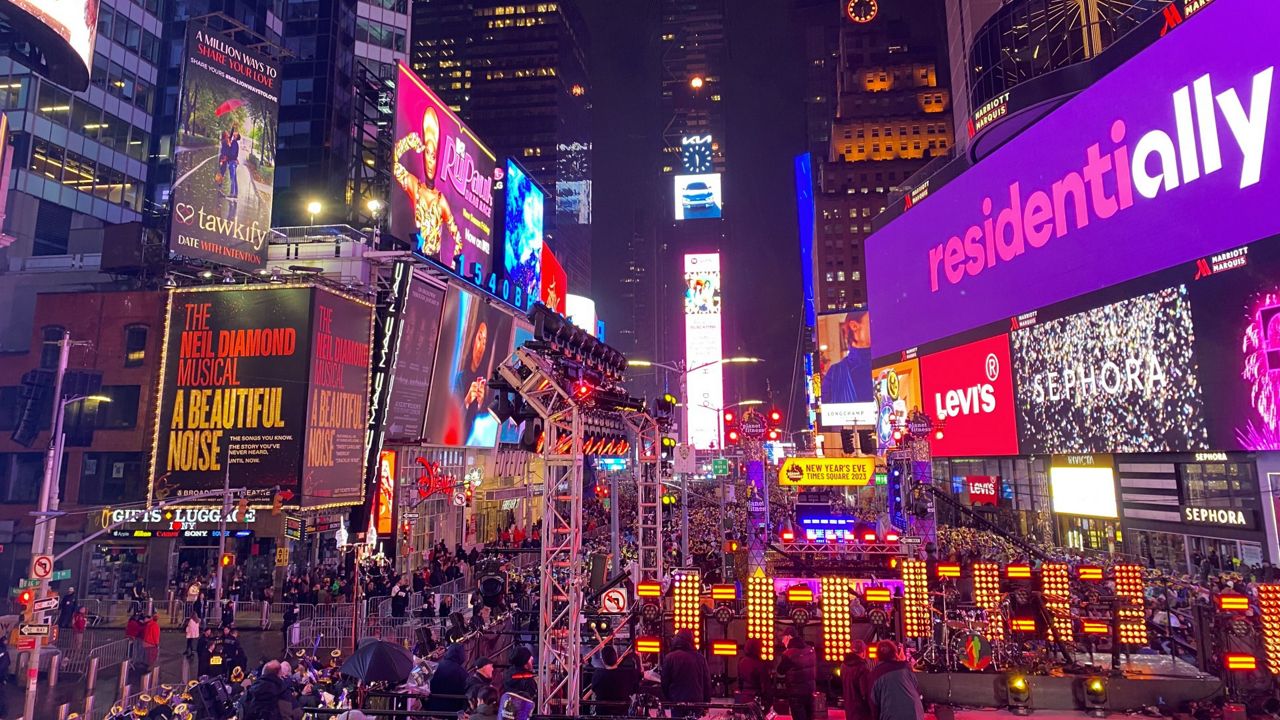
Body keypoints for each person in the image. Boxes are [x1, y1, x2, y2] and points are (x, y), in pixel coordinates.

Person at [392, 106, 461, 259]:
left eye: (434, 155)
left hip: (434, 265)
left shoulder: (440, 199)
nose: (430, 160)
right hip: (412, 254)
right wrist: (407, 143)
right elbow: (393, 163)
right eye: (427, 153)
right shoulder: (415, 186)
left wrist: (455, 259)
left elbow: (457, 236)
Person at [868, 641, 924, 720]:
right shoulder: (905, 667)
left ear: (877, 656)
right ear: (895, 654)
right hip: (915, 713)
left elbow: (873, 703)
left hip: (891, 715)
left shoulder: (875, 674)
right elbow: (917, 689)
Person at [660, 629, 710, 717]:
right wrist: (706, 703)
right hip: (696, 703)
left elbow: (664, 682)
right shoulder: (700, 658)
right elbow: (707, 683)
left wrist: (667, 700)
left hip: (676, 702)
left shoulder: (669, 658)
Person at [776, 634, 817, 720]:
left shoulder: (789, 654)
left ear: (788, 637)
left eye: (783, 640)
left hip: (796, 693)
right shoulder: (810, 650)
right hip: (810, 690)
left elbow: (780, 670)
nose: (783, 643)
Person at [591, 645, 639, 715]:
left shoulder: (597, 675)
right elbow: (635, 687)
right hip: (621, 714)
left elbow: (594, 690)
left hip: (602, 714)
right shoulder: (627, 675)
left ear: (603, 660)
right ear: (616, 657)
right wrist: (638, 660)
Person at [426, 643, 469, 714]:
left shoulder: (435, 666)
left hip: (434, 708)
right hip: (453, 710)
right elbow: (466, 690)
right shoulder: (462, 672)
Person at [736, 638, 773, 710]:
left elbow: (740, 681)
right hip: (756, 697)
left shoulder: (741, 661)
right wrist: (769, 700)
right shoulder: (760, 664)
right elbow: (765, 685)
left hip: (744, 696)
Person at [841, 642, 873, 720]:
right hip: (861, 710)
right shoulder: (862, 667)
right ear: (863, 652)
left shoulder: (843, 665)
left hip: (849, 707)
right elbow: (865, 692)